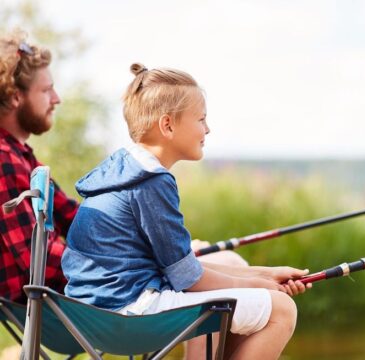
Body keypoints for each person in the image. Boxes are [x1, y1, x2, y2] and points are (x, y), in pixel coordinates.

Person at [62, 63, 312, 359]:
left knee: (232, 277)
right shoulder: (151, 182)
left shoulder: (124, 170)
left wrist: (268, 274)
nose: (207, 129)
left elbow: (180, 265)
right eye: (201, 119)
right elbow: (188, 279)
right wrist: (261, 285)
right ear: (167, 125)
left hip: (94, 314)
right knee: (281, 310)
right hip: (129, 315)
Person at [0, 29, 78, 304]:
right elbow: (40, 260)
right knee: (207, 297)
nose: (56, 99)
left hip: (60, 302)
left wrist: (153, 247)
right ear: (14, 96)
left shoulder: (21, 157)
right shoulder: (3, 159)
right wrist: (126, 269)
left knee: (207, 270)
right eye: (46, 90)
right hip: (51, 307)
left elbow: (76, 217)